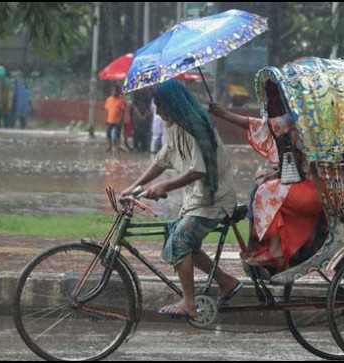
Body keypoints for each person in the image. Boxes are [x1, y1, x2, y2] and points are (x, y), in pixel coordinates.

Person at [122, 80, 241, 319]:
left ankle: (189, 302)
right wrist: (135, 186)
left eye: (161, 105)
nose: (158, 111)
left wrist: (164, 185)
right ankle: (226, 281)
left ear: (173, 105)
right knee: (186, 243)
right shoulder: (175, 126)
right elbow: (163, 159)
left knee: (179, 242)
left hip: (214, 202)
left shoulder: (197, 128)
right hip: (198, 201)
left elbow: (199, 170)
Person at [209, 80, 324, 270]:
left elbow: (265, 126)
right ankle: (265, 245)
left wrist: (224, 114)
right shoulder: (308, 119)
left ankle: (274, 250)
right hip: (314, 185)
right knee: (263, 186)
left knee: (265, 191)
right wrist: (278, 172)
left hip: (316, 189)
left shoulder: (302, 119)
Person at [104, 84, 126, 152]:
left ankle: (116, 147)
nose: (114, 92)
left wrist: (120, 120)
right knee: (108, 133)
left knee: (116, 134)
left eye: (116, 91)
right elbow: (107, 110)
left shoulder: (121, 100)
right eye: (113, 90)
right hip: (109, 120)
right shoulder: (108, 99)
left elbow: (122, 111)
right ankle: (110, 146)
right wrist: (105, 119)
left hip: (117, 121)